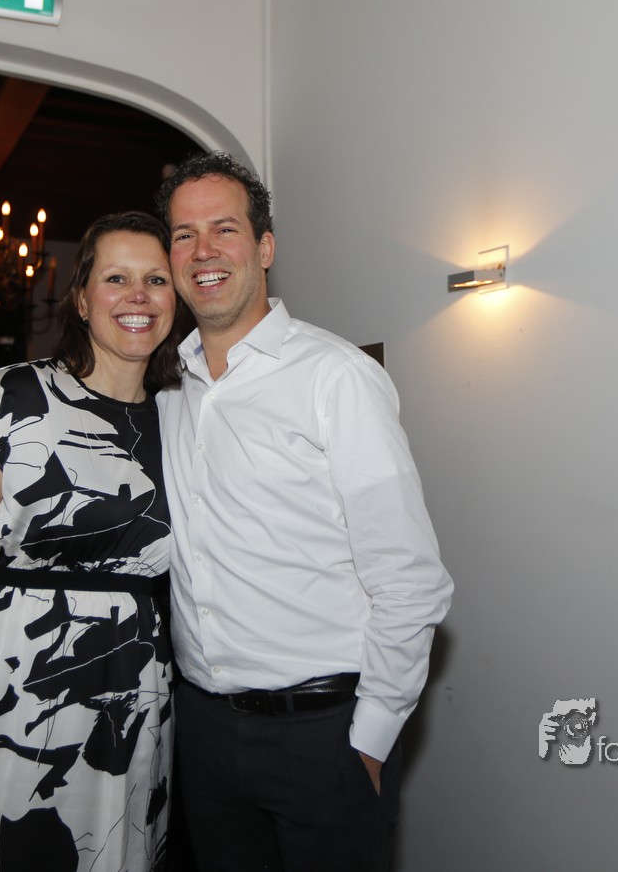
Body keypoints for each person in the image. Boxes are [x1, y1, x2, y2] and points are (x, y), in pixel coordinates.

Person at [153, 151, 454, 871]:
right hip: (203, 732)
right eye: (184, 235)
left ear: (264, 247)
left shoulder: (336, 378)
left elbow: (410, 579)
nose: (203, 251)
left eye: (224, 229)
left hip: (323, 735)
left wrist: (370, 738)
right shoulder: (166, 391)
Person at [0, 212, 183, 871]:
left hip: (133, 700)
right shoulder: (16, 395)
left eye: (155, 279)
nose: (138, 296)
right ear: (80, 298)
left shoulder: (182, 414)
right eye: (116, 278)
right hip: (13, 693)